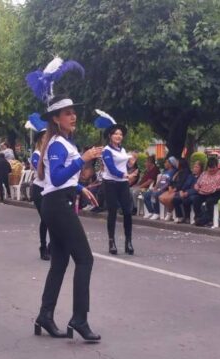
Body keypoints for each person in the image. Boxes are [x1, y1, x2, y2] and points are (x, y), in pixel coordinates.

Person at [34, 94, 103, 341]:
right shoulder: (56, 144)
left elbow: (63, 180)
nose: (73, 116)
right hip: (56, 206)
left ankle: (45, 314)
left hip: (58, 202)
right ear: (55, 118)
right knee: (85, 259)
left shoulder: (62, 142)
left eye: (73, 112)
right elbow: (57, 179)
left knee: (60, 263)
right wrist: (83, 160)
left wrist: (80, 188)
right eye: (67, 113)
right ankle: (79, 319)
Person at [98, 111, 135, 255]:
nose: (119, 136)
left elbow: (125, 165)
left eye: (120, 134)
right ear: (110, 136)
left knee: (127, 212)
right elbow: (112, 168)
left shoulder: (123, 150)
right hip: (110, 183)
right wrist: (125, 174)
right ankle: (111, 241)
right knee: (112, 212)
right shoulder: (106, 151)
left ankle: (128, 241)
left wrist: (131, 164)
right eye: (116, 134)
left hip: (123, 183)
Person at [28, 113, 50, 260]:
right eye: (44, 137)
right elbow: (41, 173)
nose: (46, 139)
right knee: (46, 219)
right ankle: (43, 246)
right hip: (39, 189)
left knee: (53, 219)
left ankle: (52, 246)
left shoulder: (53, 151)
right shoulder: (36, 154)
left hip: (51, 190)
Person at [191, 156, 220, 226]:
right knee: (195, 199)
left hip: (217, 193)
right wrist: (196, 187)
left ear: (217, 166)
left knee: (209, 201)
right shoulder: (204, 174)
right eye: (210, 168)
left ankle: (208, 220)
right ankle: (198, 217)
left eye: (213, 168)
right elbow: (197, 183)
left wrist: (217, 188)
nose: (211, 170)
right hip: (203, 193)